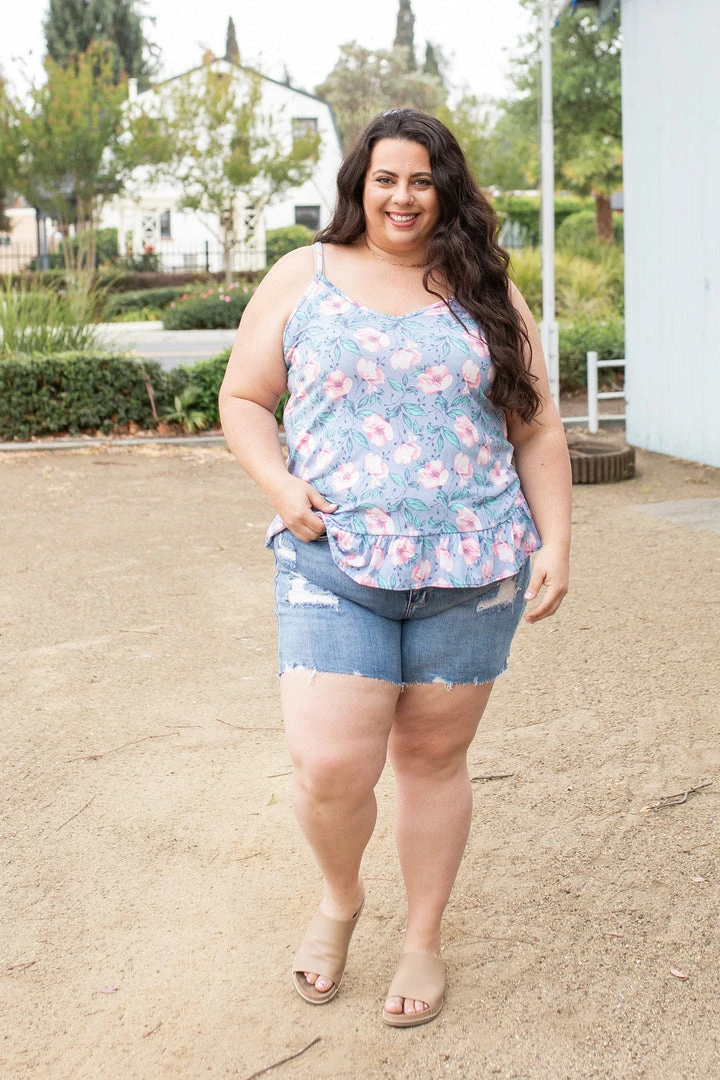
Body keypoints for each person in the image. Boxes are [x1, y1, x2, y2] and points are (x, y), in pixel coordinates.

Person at [219, 108, 571, 1027]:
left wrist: (557, 543)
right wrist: (280, 485)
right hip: (332, 563)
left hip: (473, 569)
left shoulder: (486, 288)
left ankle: (422, 937)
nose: (403, 196)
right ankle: (341, 898)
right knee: (330, 763)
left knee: (431, 759)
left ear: (444, 188)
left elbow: (536, 427)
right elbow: (245, 397)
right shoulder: (303, 275)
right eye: (386, 178)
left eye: (421, 179)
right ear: (360, 186)